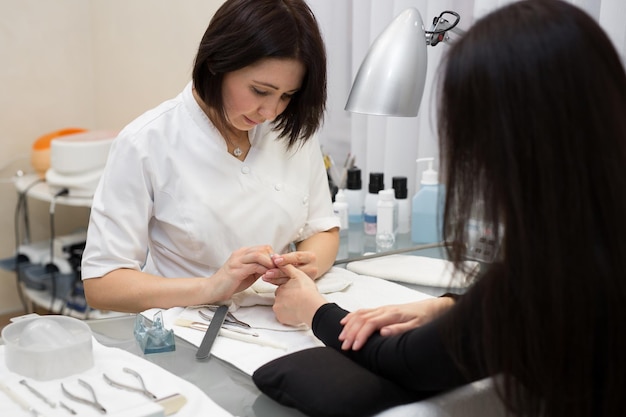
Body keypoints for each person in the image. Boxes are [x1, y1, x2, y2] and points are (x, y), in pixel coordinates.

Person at [259, 1, 626, 416]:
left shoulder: (559, 270)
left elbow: (414, 360)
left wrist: (316, 311)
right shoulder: (592, 228)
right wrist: (448, 306)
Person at [80, 0, 339, 313]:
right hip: (186, 329)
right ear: (217, 63)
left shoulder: (290, 129)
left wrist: (304, 267)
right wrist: (212, 286)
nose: (271, 111)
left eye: (287, 95)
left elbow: (322, 230)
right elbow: (102, 284)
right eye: (259, 91)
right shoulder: (146, 142)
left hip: (281, 317)